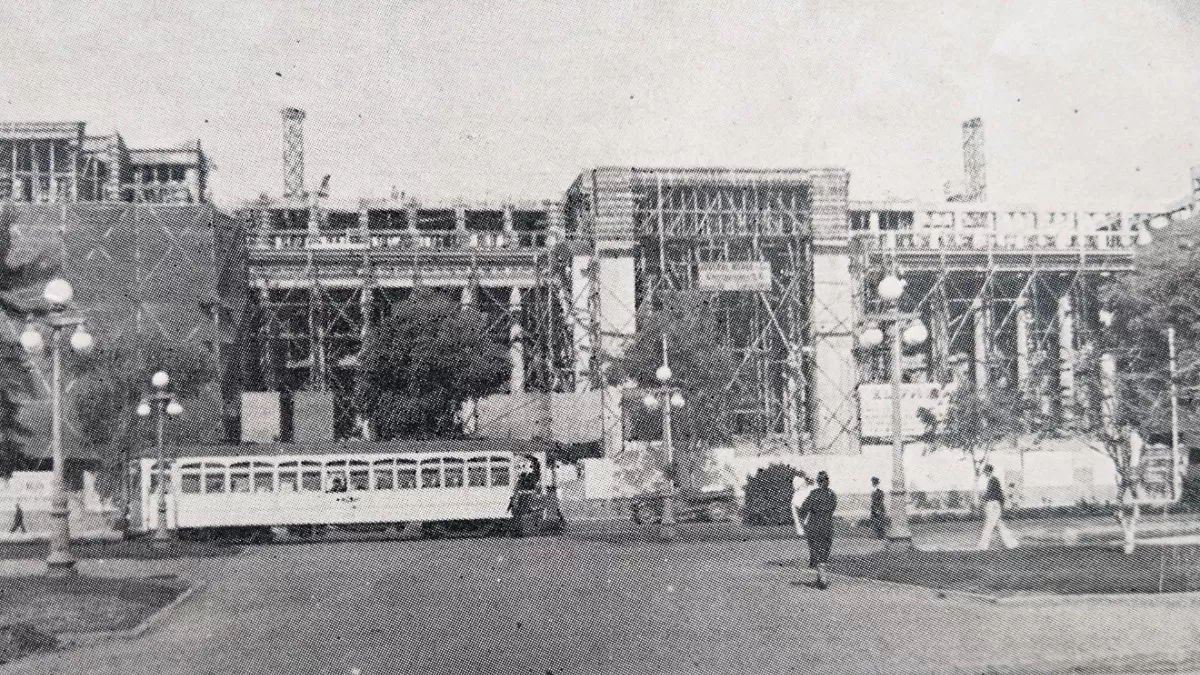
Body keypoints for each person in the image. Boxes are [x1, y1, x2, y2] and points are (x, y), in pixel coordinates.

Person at [797, 471, 838, 589]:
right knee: (825, 548)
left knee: (815, 548)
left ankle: (821, 575)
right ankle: (821, 575)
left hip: (814, 525)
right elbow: (833, 507)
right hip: (827, 525)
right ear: (827, 481)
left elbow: (803, 509)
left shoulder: (813, 494)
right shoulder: (832, 494)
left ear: (818, 481)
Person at [978, 464, 1019, 550]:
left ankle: (983, 546)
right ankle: (1011, 543)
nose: (984, 473)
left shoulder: (993, 480)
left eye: (985, 471)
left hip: (993, 505)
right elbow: (998, 494)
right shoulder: (992, 480)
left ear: (989, 471)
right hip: (994, 504)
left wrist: (983, 498)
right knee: (999, 525)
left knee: (989, 525)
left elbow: (994, 494)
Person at [790, 472, 812, 537]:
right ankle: (800, 529)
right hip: (799, 496)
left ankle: (803, 526)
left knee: (810, 511)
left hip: (803, 496)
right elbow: (796, 487)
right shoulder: (796, 479)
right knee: (794, 508)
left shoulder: (808, 485)